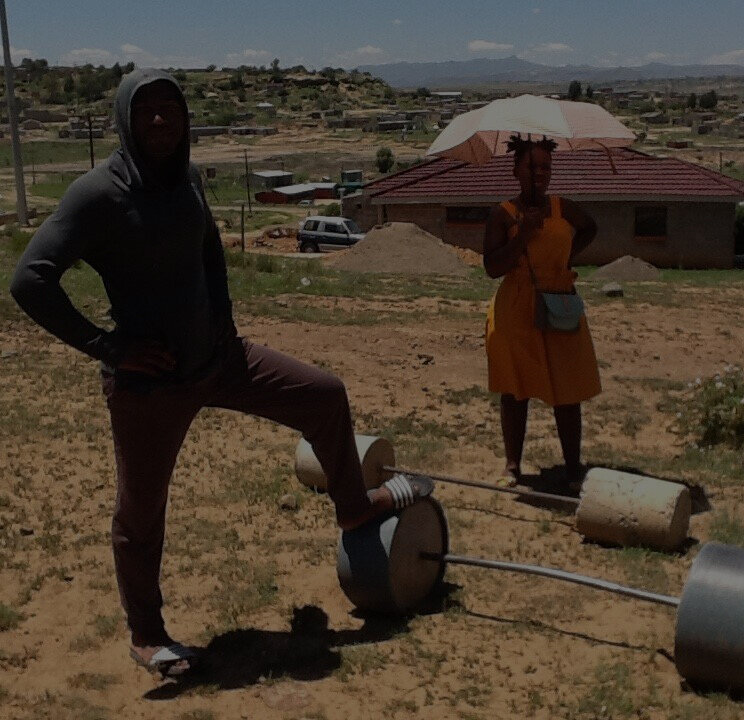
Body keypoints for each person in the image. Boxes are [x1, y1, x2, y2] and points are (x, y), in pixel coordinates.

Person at [9, 69, 432, 679]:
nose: (159, 120)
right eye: (145, 110)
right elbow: (29, 280)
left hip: (221, 361)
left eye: (169, 109)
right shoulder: (98, 194)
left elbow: (210, 249)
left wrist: (226, 324)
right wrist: (107, 347)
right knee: (141, 511)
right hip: (150, 385)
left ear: (184, 118)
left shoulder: (186, 180)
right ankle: (147, 634)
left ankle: (353, 507)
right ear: (125, 119)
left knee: (323, 395)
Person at [483, 136, 602, 490]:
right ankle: (512, 466)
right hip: (516, 307)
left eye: (545, 167)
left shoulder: (564, 208)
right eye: (532, 166)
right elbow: (491, 267)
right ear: (516, 170)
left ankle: (572, 467)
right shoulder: (503, 214)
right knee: (515, 389)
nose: (540, 173)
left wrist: (564, 260)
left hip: (559, 302)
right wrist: (525, 234)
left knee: (567, 388)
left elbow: (591, 228)